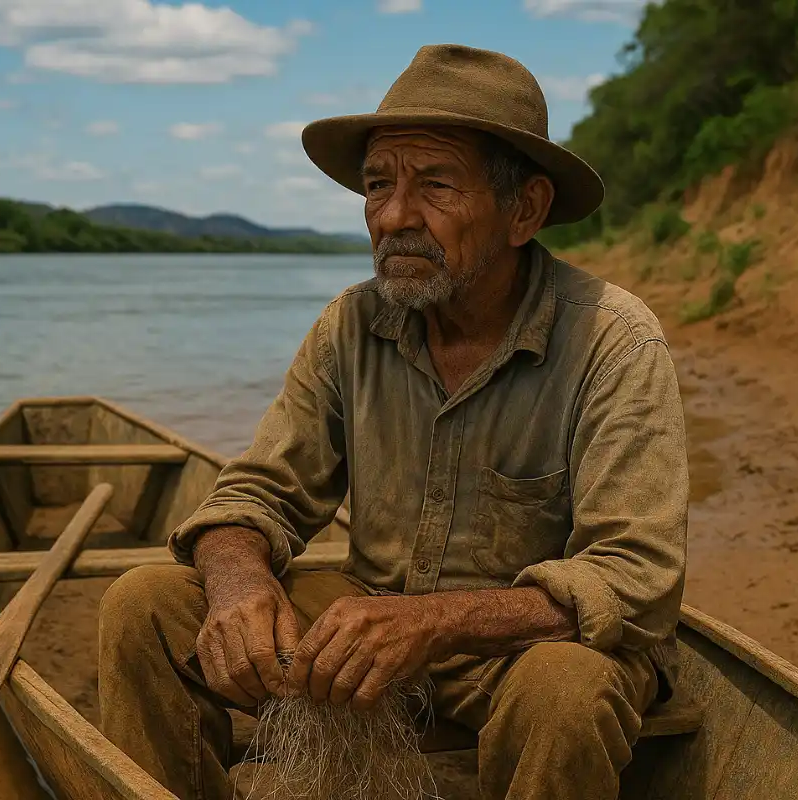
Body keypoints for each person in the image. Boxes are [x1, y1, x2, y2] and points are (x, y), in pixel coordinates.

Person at [97, 43, 689, 800]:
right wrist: (240, 581)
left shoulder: (612, 339)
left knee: (567, 691)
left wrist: (435, 621)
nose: (394, 217)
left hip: (521, 651)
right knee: (144, 604)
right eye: (378, 186)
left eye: (436, 185)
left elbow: (634, 578)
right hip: (368, 639)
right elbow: (258, 494)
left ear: (525, 209)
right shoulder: (352, 324)